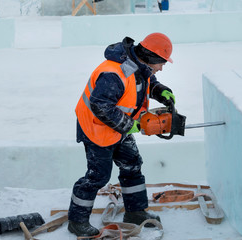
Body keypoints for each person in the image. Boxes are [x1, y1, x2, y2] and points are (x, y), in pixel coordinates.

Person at [68, 32, 176, 238]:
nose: (162, 67)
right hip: (96, 127)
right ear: (151, 57)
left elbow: (145, 81)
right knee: (97, 176)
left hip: (118, 125)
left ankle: (135, 212)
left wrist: (160, 90)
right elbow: (100, 105)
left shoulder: (137, 65)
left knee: (132, 164)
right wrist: (130, 125)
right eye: (161, 63)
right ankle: (77, 221)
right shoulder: (113, 73)